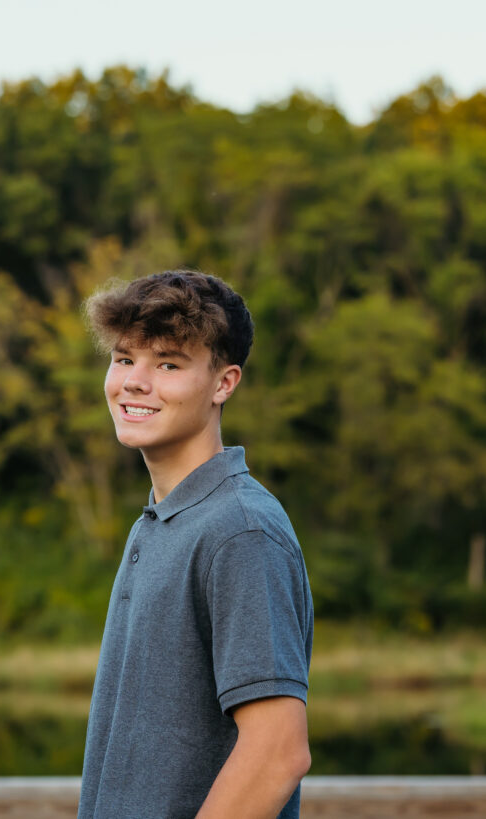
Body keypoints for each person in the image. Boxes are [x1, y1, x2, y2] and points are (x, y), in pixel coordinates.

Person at [77, 270, 314, 819]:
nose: (134, 381)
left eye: (168, 364)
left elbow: (279, 751)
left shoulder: (239, 529)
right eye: (122, 358)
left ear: (224, 383)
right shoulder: (160, 521)